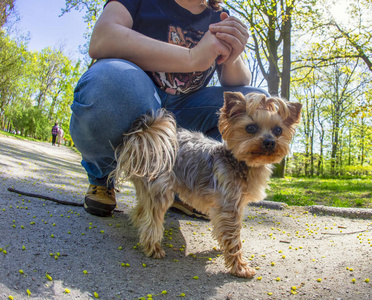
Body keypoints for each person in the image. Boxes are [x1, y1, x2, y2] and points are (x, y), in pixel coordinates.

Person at [69, 0, 269, 217]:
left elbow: (239, 83)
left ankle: (183, 189)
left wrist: (232, 54)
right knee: (108, 83)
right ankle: (103, 176)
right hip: (137, 100)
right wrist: (192, 58)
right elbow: (102, 38)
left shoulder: (218, 15)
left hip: (185, 113)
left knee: (257, 104)